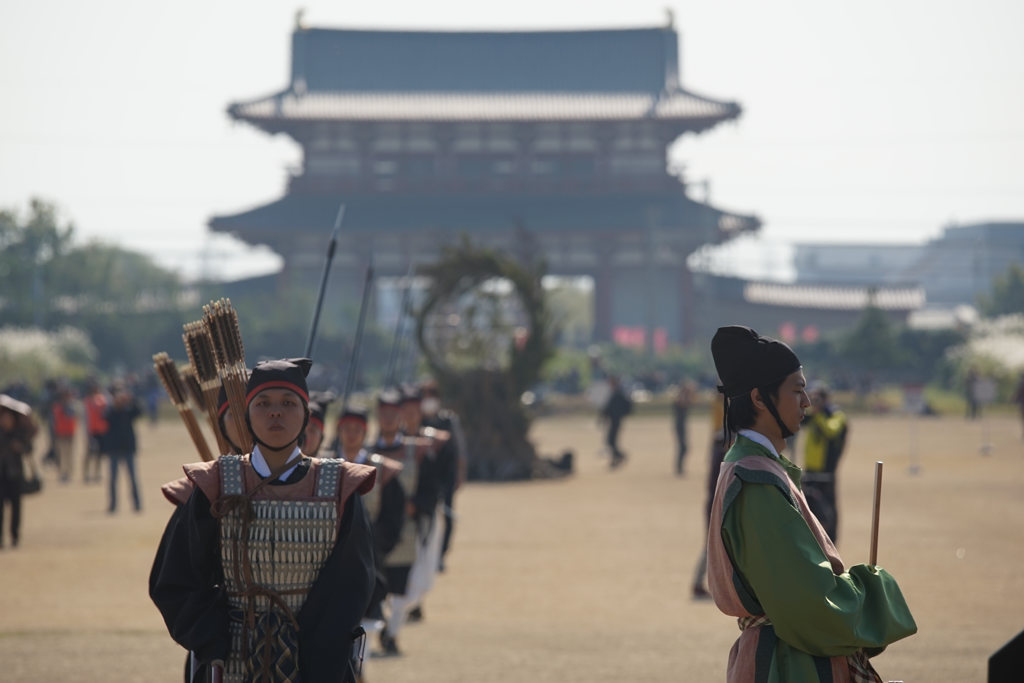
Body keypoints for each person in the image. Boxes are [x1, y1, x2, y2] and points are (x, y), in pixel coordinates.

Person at [706, 325, 916, 682]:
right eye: (797, 390)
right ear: (759, 399)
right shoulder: (755, 479)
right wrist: (874, 593)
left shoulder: (755, 466)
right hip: (789, 664)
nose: (806, 402)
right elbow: (810, 605)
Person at [150, 358, 378, 682]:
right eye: (263, 403)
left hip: (316, 660)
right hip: (229, 659)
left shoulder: (340, 486)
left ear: (306, 416)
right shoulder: (216, 484)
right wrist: (213, 640)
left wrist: (311, 648)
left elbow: (353, 583)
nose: (275, 412)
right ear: (247, 415)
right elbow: (175, 577)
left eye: (288, 403)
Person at [419, 379, 466, 572]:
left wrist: (460, 474)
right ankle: (423, 553)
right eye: (425, 396)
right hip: (424, 479)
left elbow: (460, 450)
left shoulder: (448, 420)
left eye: (432, 395)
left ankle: (440, 555)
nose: (428, 400)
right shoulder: (416, 421)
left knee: (447, 515)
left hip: (446, 476)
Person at [690, 385, 730, 600]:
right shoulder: (724, 454)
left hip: (715, 501)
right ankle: (698, 583)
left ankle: (702, 584)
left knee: (713, 544)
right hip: (717, 502)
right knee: (712, 544)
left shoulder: (719, 449)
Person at [801, 383, 849, 543]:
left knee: (828, 512)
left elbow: (832, 431)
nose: (815, 402)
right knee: (809, 510)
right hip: (810, 472)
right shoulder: (814, 415)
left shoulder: (835, 414)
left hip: (826, 473)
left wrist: (819, 413)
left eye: (818, 398)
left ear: (826, 399)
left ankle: (831, 543)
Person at [0, 394, 38, 549]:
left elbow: (29, 448)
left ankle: (15, 535)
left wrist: (20, 446)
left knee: (16, 505)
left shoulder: (20, 433)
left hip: (15, 472)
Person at [104, 382, 143, 513]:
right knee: (113, 479)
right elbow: (105, 418)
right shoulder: (111, 410)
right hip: (114, 449)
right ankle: (113, 505)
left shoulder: (129, 409)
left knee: (132, 478)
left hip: (128, 448)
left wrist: (132, 399)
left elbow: (139, 412)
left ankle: (137, 504)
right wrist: (115, 405)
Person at [599, 375, 632, 469]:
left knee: (611, 441)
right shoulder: (615, 393)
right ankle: (616, 458)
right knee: (611, 441)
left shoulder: (618, 394)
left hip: (616, 420)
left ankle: (619, 456)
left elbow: (611, 408)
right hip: (613, 420)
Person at [51, 384, 78, 483]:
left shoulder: (72, 406)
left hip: (70, 433)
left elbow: (73, 416)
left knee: (69, 454)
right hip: (60, 433)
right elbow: (54, 421)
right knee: (61, 454)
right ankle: (62, 473)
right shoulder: (57, 406)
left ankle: (69, 472)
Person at [672, 379, 696, 476]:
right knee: (683, 447)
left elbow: (693, 403)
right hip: (679, 425)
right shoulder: (679, 398)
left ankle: (680, 467)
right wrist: (687, 391)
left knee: (684, 447)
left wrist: (690, 392)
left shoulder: (683, 397)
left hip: (682, 425)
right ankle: (679, 468)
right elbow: (683, 402)